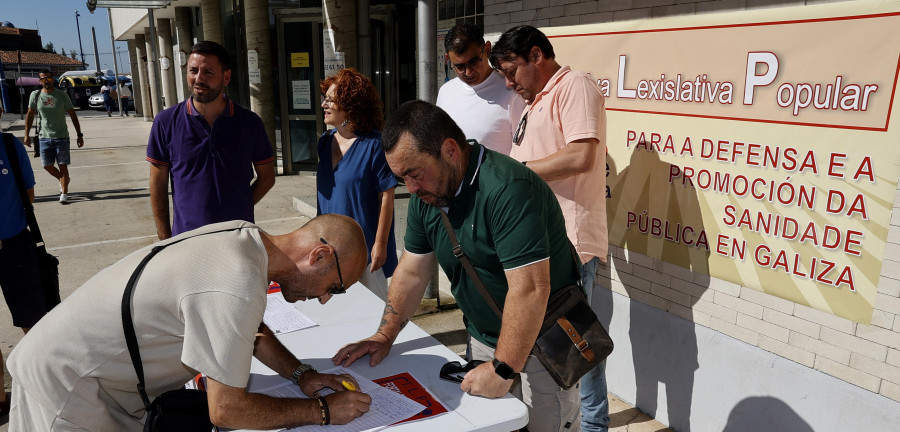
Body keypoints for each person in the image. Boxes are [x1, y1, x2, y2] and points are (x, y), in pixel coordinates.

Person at [333, 101, 583, 432]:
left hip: (544, 346)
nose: (411, 188)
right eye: (401, 177)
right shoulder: (430, 196)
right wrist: (384, 335)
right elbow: (412, 270)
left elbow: (530, 289)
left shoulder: (509, 189)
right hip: (483, 339)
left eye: (415, 173)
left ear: (450, 151)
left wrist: (503, 370)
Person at [8, 214, 373, 430]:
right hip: (65, 386)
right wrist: (322, 411)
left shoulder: (245, 238)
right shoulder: (237, 283)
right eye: (335, 287)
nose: (325, 298)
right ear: (320, 255)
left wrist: (302, 375)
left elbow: (249, 332)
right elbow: (227, 410)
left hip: (69, 367)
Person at [491, 25, 610, 432]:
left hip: (570, 245)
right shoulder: (534, 100)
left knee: (575, 351)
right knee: (554, 348)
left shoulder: (573, 85)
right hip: (540, 244)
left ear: (537, 55)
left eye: (512, 72)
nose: (509, 84)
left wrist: (517, 174)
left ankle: (593, 427)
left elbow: (581, 155)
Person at [147, 40, 275, 240]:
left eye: (208, 72)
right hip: (186, 241)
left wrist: (240, 206)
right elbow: (158, 184)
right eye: (193, 70)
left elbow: (267, 177)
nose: (199, 78)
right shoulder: (166, 122)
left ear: (226, 77)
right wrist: (165, 240)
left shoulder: (250, 123)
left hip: (238, 239)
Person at [316, 68, 397, 301]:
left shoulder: (374, 145)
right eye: (325, 98)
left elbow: (387, 198)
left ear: (351, 106)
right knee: (338, 311)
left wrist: (380, 245)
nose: (324, 104)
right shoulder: (325, 142)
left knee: (374, 313)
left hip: (366, 246)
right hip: (331, 245)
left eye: (331, 100)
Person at [0, 133, 50, 419]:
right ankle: (1, 400)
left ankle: (40, 389)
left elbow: (27, 194)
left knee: (33, 324)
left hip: (16, 246)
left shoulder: (9, 145)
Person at [436, 23, 525, 156]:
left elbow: (524, 149)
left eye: (474, 62)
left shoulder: (512, 90)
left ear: (487, 49)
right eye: (459, 67)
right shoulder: (445, 92)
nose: (468, 72)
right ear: (448, 59)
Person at [24, 69, 85, 204]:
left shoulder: (62, 95)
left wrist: (79, 134)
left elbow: (73, 116)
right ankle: (63, 179)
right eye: (43, 79)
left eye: (48, 78)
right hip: (44, 137)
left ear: (53, 79)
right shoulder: (35, 95)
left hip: (61, 136)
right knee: (47, 165)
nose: (46, 81)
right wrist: (26, 135)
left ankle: (64, 193)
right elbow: (29, 115)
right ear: (40, 81)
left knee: (63, 165)